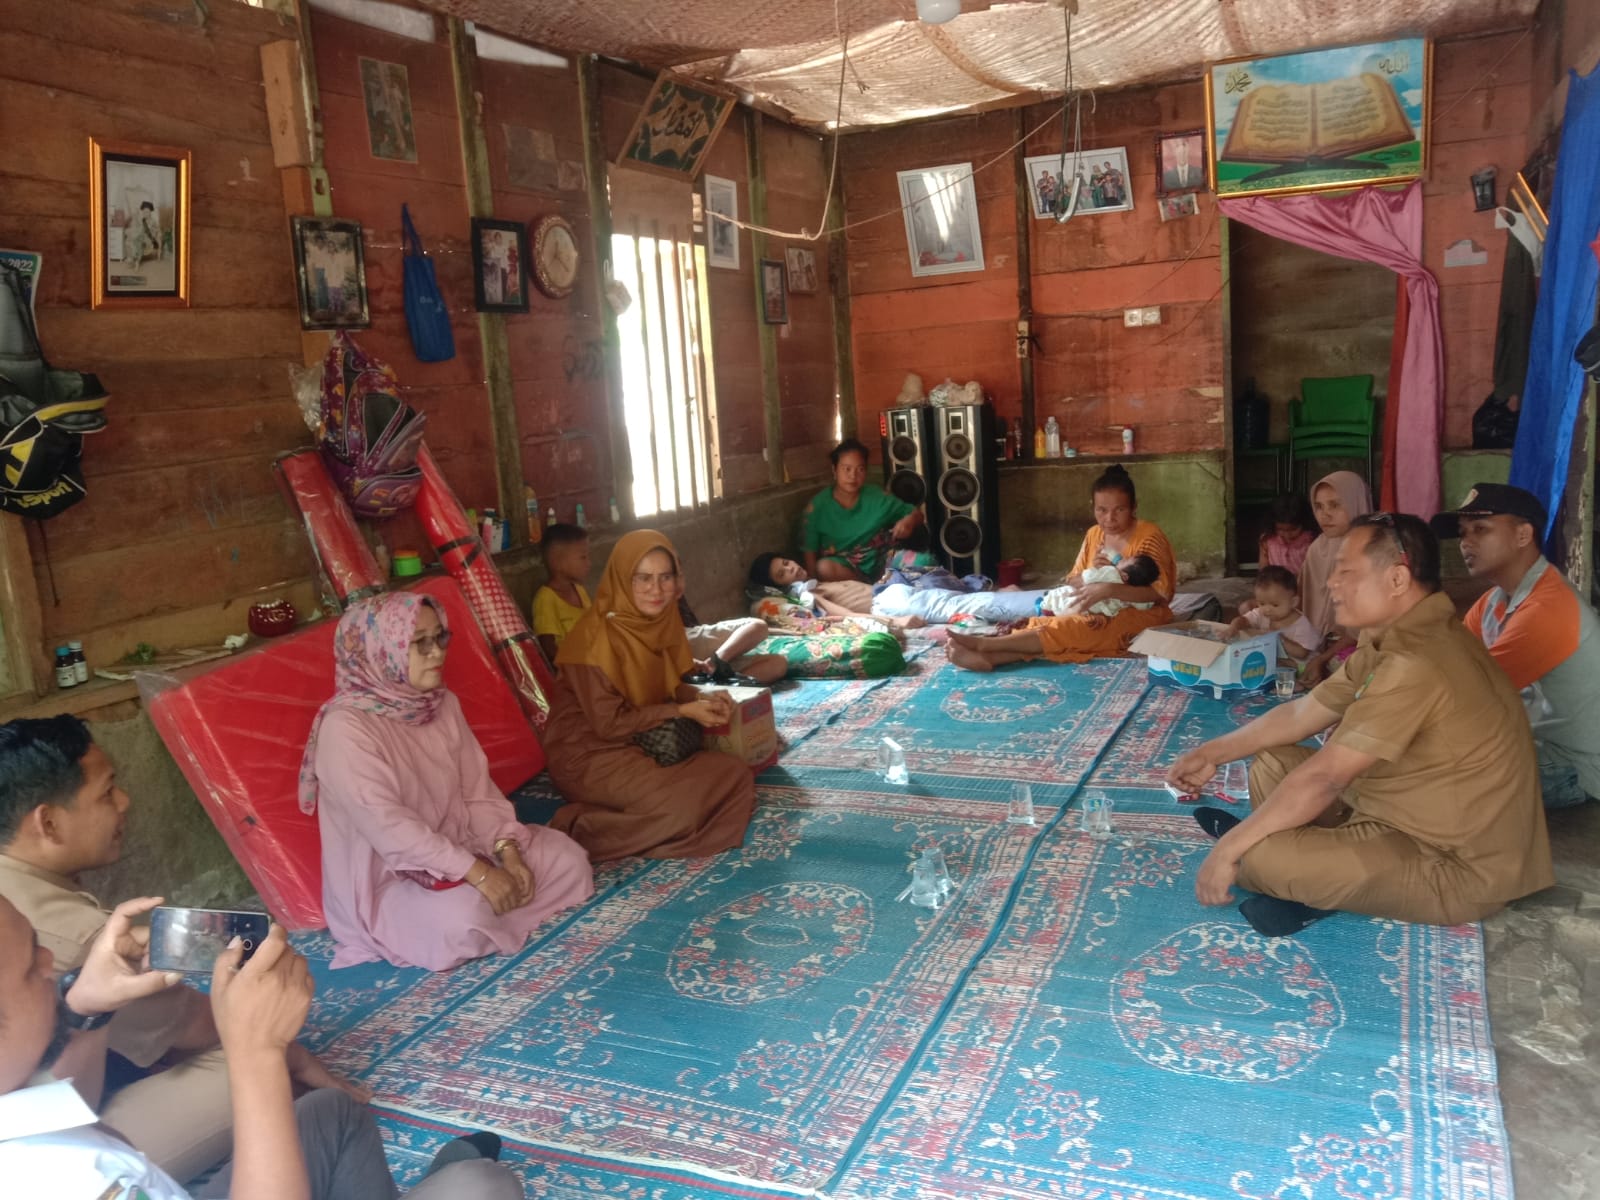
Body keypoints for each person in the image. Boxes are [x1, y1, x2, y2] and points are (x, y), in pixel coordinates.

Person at [0, 716, 362, 1182]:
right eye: (108, 792)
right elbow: (198, 1025)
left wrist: (90, 1012)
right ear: (47, 822)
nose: (125, 802)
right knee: (256, 1067)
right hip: (50, 1142)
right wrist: (278, 1054)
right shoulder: (71, 935)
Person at [1168, 513, 1552, 938]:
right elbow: (1304, 712)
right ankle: (1309, 871)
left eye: (1347, 572)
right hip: (1392, 809)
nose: (1332, 584)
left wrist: (1229, 848)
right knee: (1273, 764)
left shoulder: (1417, 661)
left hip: (1450, 862)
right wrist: (1211, 753)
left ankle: (1302, 878)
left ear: (1397, 579)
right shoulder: (1395, 635)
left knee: (1254, 858)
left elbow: (1327, 777)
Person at [0, 894, 522, 1199]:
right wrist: (256, 1055)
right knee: (481, 1185)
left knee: (330, 1112)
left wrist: (87, 1008)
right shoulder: (64, 1182)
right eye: (31, 967)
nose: (52, 963)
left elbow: (77, 1117)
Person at [301, 593, 594, 971]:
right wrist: (481, 874)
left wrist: (508, 853)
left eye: (439, 638)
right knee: (462, 920)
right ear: (381, 651)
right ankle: (482, 912)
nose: (436, 653)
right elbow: (393, 831)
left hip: (465, 847)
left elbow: (477, 793)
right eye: (418, 643)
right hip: (392, 881)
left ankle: (494, 908)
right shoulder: (346, 730)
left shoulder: (441, 704)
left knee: (570, 861)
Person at [542, 531, 756, 862]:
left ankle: (631, 810)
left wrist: (706, 698)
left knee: (734, 773)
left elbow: (674, 682)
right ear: (622, 579)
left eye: (665, 577)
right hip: (590, 752)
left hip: (646, 739)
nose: (656, 590)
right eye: (642, 578)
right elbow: (609, 726)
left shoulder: (663, 620)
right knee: (679, 812)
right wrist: (683, 710)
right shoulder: (591, 642)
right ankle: (579, 826)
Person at [1431, 482, 1600, 807]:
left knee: (1426, 773)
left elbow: (1467, 691)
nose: (1465, 542)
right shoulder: (1492, 602)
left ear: (1523, 536)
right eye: (1463, 533)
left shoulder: (1549, 607)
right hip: (1530, 745)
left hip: (1573, 766)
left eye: (1480, 529)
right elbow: (1449, 663)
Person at [946, 464, 1175, 671]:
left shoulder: (1148, 536)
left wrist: (1108, 589)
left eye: (1119, 510)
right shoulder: (1094, 535)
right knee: (1053, 623)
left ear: (1134, 507)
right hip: (1094, 608)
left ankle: (985, 645)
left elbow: (1161, 594)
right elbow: (1073, 580)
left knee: (1077, 628)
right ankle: (994, 658)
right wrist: (1090, 576)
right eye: (1101, 510)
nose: (1109, 519)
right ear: (1092, 507)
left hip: (1142, 614)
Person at [800, 439, 925, 583]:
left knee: (923, 561)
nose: (853, 476)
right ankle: (873, 590)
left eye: (860, 469)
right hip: (848, 571)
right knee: (824, 568)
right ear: (834, 470)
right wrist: (813, 582)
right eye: (846, 469)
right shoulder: (817, 507)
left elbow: (917, 514)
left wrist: (908, 521)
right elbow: (809, 549)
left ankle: (883, 586)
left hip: (883, 562)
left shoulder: (877, 497)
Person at [1296, 471, 1372, 684]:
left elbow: (1364, 631)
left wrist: (1323, 657)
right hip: (1317, 641)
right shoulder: (1317, 548)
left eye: (1335, 505)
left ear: (1355, 502)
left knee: (1348, 669)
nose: (1325, 515)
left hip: (1358, 643)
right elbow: (1301, 603)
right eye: (1319, 507)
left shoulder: (1371, 550)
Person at [676, 583, 787, 687]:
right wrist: (689, 661)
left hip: (696, 655)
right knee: (759, 625)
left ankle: (718, 674)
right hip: (681, 647)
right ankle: (716, 666)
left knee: (778, 664)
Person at [1227, 565, 1322, 661]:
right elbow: (1243, 620)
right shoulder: (1261, 614)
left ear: (1293, 602)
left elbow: (1302, 653)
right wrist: (1233, 627)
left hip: (1300, 667)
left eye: (1275, 605)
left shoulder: (1301, 624)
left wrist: (1278, 638)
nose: (1267, 609)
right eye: (1262, 603)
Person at [531, 523, 592, 663]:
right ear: (557, 562)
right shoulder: (545, 599)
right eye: (583, 557)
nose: (589, 563)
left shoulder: (580, 590)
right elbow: (549, 650)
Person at [1039, 553, 1160, 618]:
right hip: (1094, 613)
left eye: (1125, 560)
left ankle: (1045, 605)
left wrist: (1097, 569)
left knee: (1065, 593)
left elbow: (1087, 577)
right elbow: (1146, 603)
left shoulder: (1112, 572)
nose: (1121, 559)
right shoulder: (1134, 596)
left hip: (1076, 602)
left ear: (1125, 576)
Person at [1258, 492, 1317, 578]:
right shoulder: (1267, 540)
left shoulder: (1311, 541)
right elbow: (1263, 571)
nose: (1287, 535)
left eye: (1293, 530)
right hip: (1276, 587)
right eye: (1280, 529)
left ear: (1304, 523)